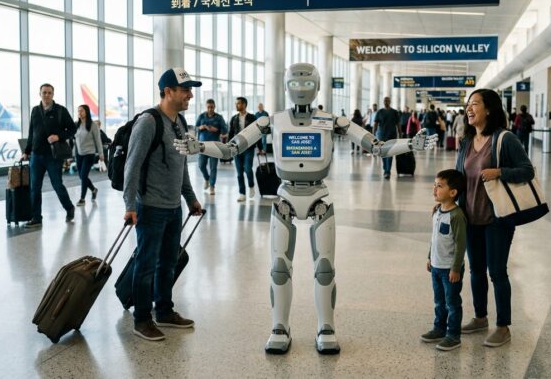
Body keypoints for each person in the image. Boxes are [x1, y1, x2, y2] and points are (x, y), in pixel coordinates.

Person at [173, 62, 435, 355]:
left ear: (316, 86)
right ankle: (279, 327)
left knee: (324, 269)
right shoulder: (272, 121)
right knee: (279, 268)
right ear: (287, 86)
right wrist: (200, 147)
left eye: (306, 84)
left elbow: (376, 146)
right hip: (285, 196)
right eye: (295, 85)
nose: (300, 90)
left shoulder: (331, 120)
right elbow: (233, 148)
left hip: (318, 195)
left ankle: (326, 327)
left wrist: (411, 143)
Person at [123, 67, 203, 342]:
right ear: (168, 91)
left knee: (168, 262)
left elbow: (181, 167)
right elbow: (131, 166)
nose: (190, 95)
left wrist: (190, 198)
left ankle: (164, 310)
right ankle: (142, 319)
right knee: (146, 264)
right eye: (185, 90)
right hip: (150, 207)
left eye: (190, 90)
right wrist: (130, 204)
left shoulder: (179, 123)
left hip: (172, 208)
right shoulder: (148, 122)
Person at [455, 89, 534, 348]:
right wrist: (447, 203)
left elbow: (527, 170)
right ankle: (480, 317)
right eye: (468, 104)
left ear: (488, 109)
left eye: (475, 104)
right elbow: (459, 177)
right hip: (470, 217)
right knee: (476, 270)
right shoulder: (466, 141)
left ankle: (503, 326)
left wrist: (500, 171)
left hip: (497, 218)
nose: (469, 108)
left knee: (497, 272)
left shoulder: (504, 139)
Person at [421, 169, 467, 351]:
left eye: (439, 186)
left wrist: (456, 268)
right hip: (436, 266)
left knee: (452, 302)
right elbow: (434, 238)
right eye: (434, 185)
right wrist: (429, 257)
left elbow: (460, 245)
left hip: (450, 269)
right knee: (439, 301)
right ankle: (439, 328)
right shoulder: (437, 211)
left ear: (453, 192)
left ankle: (454, 335)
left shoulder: (456, 216)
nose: (434, 189)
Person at [21, 83, 77, 228]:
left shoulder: (60, 111)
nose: (46, 95)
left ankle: (69, 208)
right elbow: (31, 133)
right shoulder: (35, 111)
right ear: (39, 94)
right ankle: (36, 217)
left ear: (53, 94)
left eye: (49, 93)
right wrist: (26, 151)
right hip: (36, 156)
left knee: (57, 185)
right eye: (44, 92)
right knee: (35, 188)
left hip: (53, 156)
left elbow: (72, 129)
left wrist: (58, 136)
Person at [73, 104, 104, 205]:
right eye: (78, 111)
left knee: (83, 175)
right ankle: (94, 189)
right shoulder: (76, 124)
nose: (79, 113)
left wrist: (101, 153)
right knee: (82, 177)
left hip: (89, 153)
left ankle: (82, 199)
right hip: (79, 154)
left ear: (86, 112)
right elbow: (74, 140)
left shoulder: (93, 125)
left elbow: (98, 140)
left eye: (81, 111)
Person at [195, 99, 227, 195]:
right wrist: (200, 127)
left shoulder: (219, 118)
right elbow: (196, 127)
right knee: (201, 165)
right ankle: (207, 179)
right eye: (208, 107)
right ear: (206, 107)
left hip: (215, 146)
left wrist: (216, 129)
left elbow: (225, 130)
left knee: (213, 167)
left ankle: (212, 186)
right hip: (202, 145)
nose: (210, 109)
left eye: (211, 107)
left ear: (214, 107)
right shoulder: (201, 116)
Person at [228, 97, 257, 202]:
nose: (236, 105)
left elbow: (257, 132)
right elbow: (231, 133)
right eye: (236, 103)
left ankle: (251, 186)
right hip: (237, 148)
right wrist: (228, 146)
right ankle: (242, 193)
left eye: (239, 103)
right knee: (239, 172)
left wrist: (261, 148)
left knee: (248, 169)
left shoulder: (252, 117)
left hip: (249, 147)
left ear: (244, 104)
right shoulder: (234, 118)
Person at [373, 96, 400, 179]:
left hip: (391, 135)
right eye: (385, 100)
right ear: (383, 102)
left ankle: (387, 171)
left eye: (387, 100)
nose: (386, 102)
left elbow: (398, 124)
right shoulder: (379, 112)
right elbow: (375, 124)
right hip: (381, 136)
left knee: (390, 154)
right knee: (383, 153)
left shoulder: (394, 112)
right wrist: (373, 134)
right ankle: (385, 169)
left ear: (390, 102)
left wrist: (401, 134)